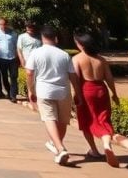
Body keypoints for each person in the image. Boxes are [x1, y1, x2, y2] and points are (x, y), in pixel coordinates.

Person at [26, 25, 80, 166]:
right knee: (62, 121)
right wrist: (77, 93)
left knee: (49, 119)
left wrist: (31, 90)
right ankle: (58, 147)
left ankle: (60, 148)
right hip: (63, 91)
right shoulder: (64, 55)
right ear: (56, 38)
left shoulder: (36, 53)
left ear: (42, 38)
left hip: (44, 90)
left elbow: (29, 73)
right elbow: (72, 76)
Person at [73, 32, 120, 167]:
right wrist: (114, 94)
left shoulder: (77, 59)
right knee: (103, 118)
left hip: (86, 90)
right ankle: (106, 144)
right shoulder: (101, 59)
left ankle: (94, 150)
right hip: (101, 89)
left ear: (80, 44)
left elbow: (76, 78)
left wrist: (77, 94)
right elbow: (109, 78)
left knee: (86, 120)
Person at [0, 17, 20, 103]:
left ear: (7, 24)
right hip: (2, 58)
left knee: (14, 76)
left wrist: (18, 57)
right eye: (0, 24)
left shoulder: (13, 33)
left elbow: (17, 46)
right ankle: (9, 91)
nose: (2, 26)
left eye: (4, 24)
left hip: (12, 58)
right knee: (4, 77)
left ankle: (13, 95)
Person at [17, 21, 43, 99]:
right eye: (28, 27)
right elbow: (19, 49)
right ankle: (31, 97)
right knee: (30, 79)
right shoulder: (22, 37)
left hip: (39, 62)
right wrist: (22, 60)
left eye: (31, 27)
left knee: (38, 80)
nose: (29, 28)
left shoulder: (39, 37)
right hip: (28, 61)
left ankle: (38, 96)